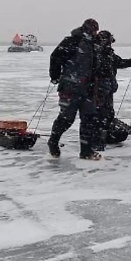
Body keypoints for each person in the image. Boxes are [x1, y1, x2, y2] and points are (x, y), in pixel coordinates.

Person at [47, 19, 102, 159]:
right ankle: (53, 142)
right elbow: (55, 57)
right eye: (92, 30)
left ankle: (86, 151)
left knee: (88, 120)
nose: (94, 33)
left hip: (89, 89)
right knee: (66, 119)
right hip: (70, 88)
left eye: (95, 31)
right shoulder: (71, 41)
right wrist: (55, 76)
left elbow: (98, 66)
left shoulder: (95, 45)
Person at [94, 30, 131, 145]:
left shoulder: (109, 54)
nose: (109, 44)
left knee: (108, 113)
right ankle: (98, 139)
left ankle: (102, 137)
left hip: (107, 89)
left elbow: (119, 63)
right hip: (97, 90)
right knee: (99, 114)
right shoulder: (95, 54)